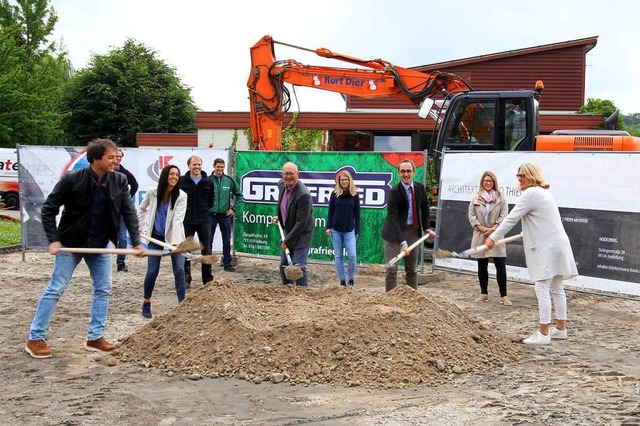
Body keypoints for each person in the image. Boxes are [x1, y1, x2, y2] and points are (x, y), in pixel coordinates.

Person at [25, 139, 145, 359]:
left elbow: (129, 213)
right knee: (56, 288)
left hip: (100, 245)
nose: (115, 161)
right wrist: (53, 240)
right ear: (96, 158)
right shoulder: (72, 180)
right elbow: (49, 209)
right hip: (70, 243)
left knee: (103, 289)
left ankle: (95, 338)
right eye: (110, 157)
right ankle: (35, 338)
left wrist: (136, 242)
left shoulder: (119, 181)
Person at [486, 163, 577, 345]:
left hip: (549, 247)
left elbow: (511, 218)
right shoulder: (543, 193)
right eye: (518, 175)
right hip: (557, 244)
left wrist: (493, 238)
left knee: (542, 287)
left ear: (532, 176)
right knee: (556, 288)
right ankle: (560, 328)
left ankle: (543, 333)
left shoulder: (531, 193)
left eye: (523, 175)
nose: (520, 179)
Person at [137, 165, 188, 318]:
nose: (174, 177)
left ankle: (182, 306)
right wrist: (138, 227)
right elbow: (142, 209)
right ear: (165, 175)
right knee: (152, 271)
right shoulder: (153, 192)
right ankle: (146, 302)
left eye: (177, 175)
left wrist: (176, 245)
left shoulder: (181, 196)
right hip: (155, 237)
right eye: (172, 174)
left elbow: (178, 220)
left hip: (175, 238)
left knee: (179, 270)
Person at [382, 159, 435, 292]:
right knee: (391, 268)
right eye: (403, 171)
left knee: (411, 270)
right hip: (393, 233)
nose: (406, 174)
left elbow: (425, 207)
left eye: (408, 171)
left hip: (412, 230)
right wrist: (403, 242)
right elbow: (393, 219)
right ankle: (390, 300)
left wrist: (426, 227)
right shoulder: (394, 192)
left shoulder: (419, 188)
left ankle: (413, 299)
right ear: (399, 173)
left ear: (414, 172)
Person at [468, 171, 510, 305]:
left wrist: (493, 229)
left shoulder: (501, 198)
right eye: (485, 181)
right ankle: (483, 293)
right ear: (482, 182)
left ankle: (504, 295)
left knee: (500, 265)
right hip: (480, 234)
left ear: (494, 183)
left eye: (490, 181)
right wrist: (482, 228)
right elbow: (471, 216)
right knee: (482, 265)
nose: (488, 183)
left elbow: (504, 215)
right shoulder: (476, 198)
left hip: (496, 235)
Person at [272, 162, 314, 286]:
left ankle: (302, 294)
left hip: (301, 234)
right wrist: (279, 217)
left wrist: (287, 242)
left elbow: (301, 223)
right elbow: (285, 206)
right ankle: (288, 290)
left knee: (298, 267)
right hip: (288, 231)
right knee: (284, 265)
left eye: (291, 174)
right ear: (282, 174)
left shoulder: (303, 194)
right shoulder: (281, 185)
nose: (288, 177)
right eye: (286, 174)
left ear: (297, 174)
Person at [179, 156, 214, 288]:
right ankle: (186, 278)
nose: (197, 167)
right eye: (194, 165)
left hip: (203, 220)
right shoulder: (182, 181)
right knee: (186, 250)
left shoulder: (208, 182)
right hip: (187, 220)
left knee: (207, 250)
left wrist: (203, 210)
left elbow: (211, 201)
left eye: (199, 164)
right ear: (189, 166)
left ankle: (207, 280)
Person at [325, 170, 360, 287]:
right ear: (338, 181)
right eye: (342, 180)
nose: (344, 181)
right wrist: (328, 227)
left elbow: (358, 214)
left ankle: (351, 279)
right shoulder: (334, 194)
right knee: (338, 256)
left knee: (352, 255)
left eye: (346, 179)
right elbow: (330, 212)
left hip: (350, 230)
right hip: (336, 230)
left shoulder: (355, 195)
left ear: (349, 180)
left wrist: (357, 230)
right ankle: (342, 280)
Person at [208, 158, 243, 272]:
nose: (220, 169)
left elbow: (239, 195)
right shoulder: (208, 180)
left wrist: (234, 209)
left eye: (222, 167)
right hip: (211, 215)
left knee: (226, 240)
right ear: (214, 166)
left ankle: (227, 263)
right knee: (209, 240)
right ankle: (207, 263)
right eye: (218, 166)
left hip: (225, 215)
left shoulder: (229, 181)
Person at [114, 149, 139, 272]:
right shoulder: (104, 171)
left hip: (121, 209)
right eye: (115, 156)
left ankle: (121, 262)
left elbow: (135, 185)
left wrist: (127, 197)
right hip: (107, 210)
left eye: (119, 157)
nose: (117, 159)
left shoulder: (124, 173)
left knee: (122, 237)